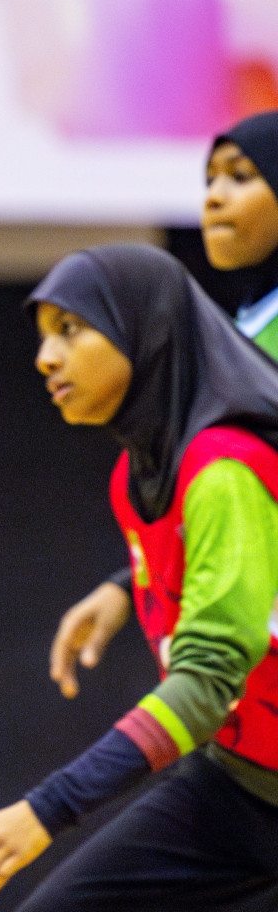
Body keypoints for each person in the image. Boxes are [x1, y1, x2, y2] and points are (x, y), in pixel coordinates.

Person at [0, 243, 278, 909]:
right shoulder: (140, 479)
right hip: (240, 786)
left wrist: (45, 810)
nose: (46, 358)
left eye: (71, 330)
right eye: (42, 338)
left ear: (145, 331)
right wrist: (127, 586)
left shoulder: (224, 468)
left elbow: (207, 686)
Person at [44, 110, 278, 748]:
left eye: (241, 176)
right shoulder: (250, 324)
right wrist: (128, 585)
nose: (214, 196)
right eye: (208, 178)